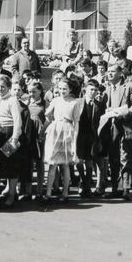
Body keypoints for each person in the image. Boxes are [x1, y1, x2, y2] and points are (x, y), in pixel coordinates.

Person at [99, 61, 132, 200]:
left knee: (126, 158)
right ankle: (115, 188)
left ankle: (126, 189)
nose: (109, 73)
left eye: (112, 71)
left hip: (126, 127)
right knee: (113, 158)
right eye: (108, 71)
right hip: (112, 128)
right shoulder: (107, 89)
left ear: (120, 73)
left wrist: (122, 113)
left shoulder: (130, 86)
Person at [43, 74, 83, 203]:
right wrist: (49, 114)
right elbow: (47, 114)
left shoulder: (74, 102)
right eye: (59, 89)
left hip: (67, 131)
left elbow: (76, 121)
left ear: (70, 89)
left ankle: (65, 193)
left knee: (65, 165)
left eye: (64, 89)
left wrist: (75, 138)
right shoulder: (56, 100)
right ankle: (48, 192)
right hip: (55, 130)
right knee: (52, 164)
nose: (61, 91)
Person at [0, 73, 23, 207]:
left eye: (2, 87)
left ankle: (11, 195)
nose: (0, 89)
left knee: (11, 166)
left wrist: (14, 139)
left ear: (8, 87)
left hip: (10, 134)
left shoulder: (13, 100)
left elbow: (17, 121)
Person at [76, 76, 106, 196]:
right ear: (85, 90)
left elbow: (101, 123)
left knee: (89, 163)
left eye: (95, 90)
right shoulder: (78, 103)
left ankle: (87, 187)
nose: (93, 92)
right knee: (78, 162)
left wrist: (98, 140)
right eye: (91, 90)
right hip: (79, 136)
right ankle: (83, 181)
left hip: (92, 137)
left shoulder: (99, 105)